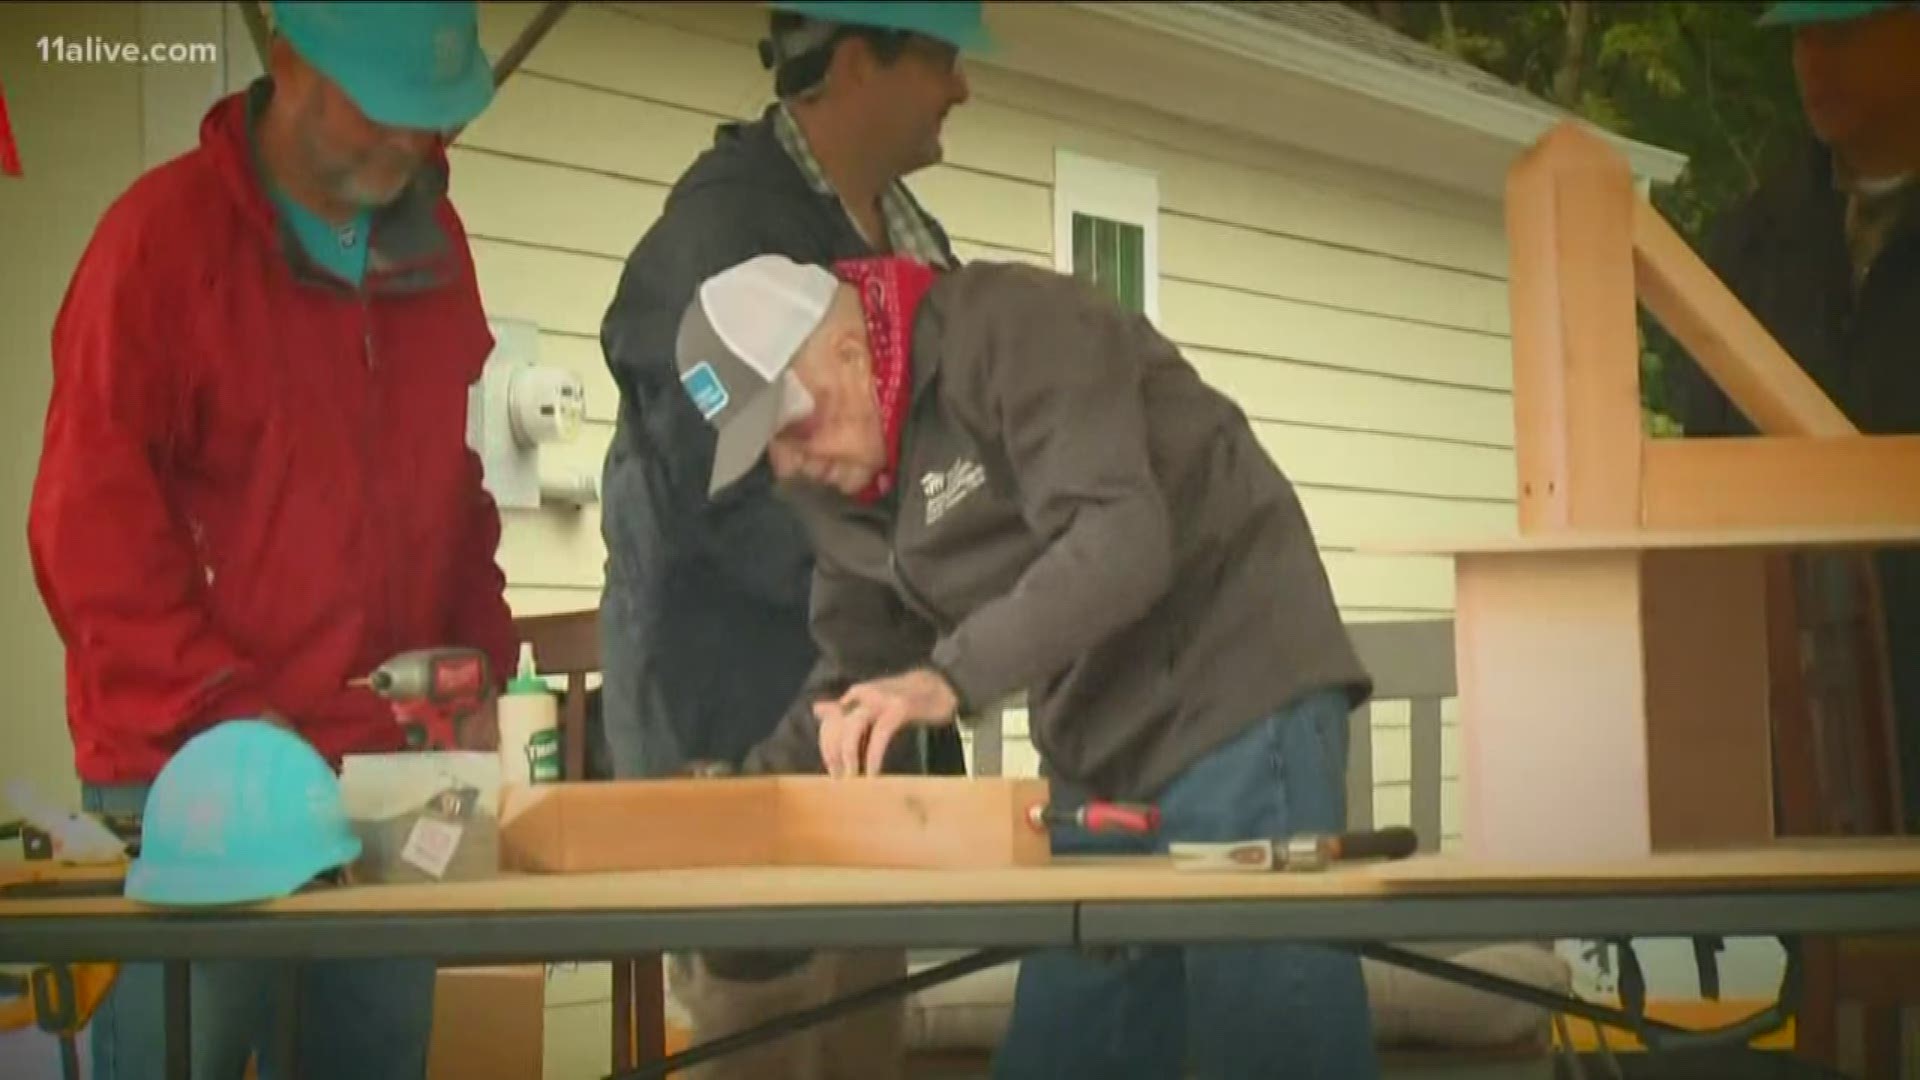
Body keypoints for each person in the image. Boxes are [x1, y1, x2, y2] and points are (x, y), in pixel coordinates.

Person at [672, 252, 1383, 1078]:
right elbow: (854, 682)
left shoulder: (1017, 327)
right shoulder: (841, 493)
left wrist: (949, 676)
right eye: (766, 451)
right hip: (1096, 753)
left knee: (1271, 1039)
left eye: (792, 425)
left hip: (1238, 687)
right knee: (1065, 1049)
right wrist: (741, 807)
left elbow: (1119, 540)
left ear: (848, 347)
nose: (791, 466)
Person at [25, 2, 516, 1076]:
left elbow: (454, 477)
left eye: (433, 117)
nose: (412, 143)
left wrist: (482, 649)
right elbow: (90, 529)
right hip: (192, 780)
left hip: (382, 780)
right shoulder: (157, 243)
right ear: (286, 58)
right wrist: (231, 725)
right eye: (382, 108)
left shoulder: (439, 247)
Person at [595, 4, 984, 1074]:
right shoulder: (718, 240)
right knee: (760, 1050)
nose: (964, 88)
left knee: (860, 1045)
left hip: (858, 762)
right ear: (857, 59)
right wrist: (904, 575)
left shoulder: (907, 242)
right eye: (945, 58)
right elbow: (714, 486)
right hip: (738, 741)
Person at [1665, 0, 1920, 831]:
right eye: (1799, 35)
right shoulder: (1749, 245)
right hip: (1808, 741)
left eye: (1841, 31)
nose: (1814, 60)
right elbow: (1705, 467)